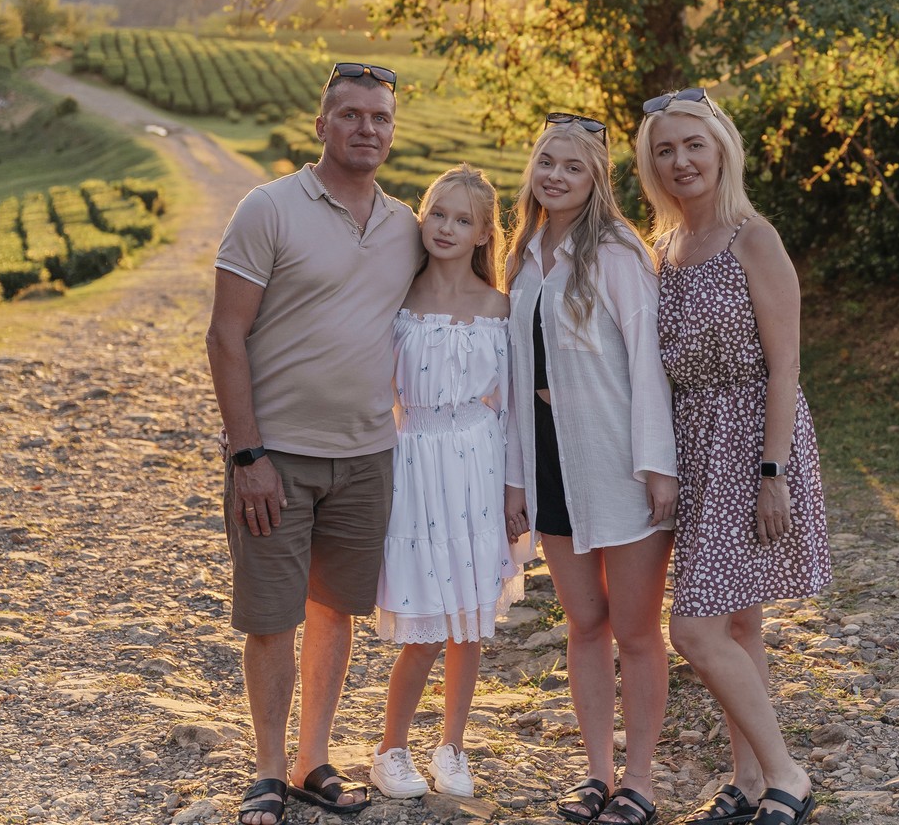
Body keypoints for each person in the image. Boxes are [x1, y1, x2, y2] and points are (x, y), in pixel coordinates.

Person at [206, 62, 423, 825]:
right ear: (321, 124)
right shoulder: (268, 208)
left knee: (335, 611)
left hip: (367, 456)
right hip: (276, 457)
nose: (367, 128)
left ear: (393, 132)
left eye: (380, 118)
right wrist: (248, 456)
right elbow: (225, 336)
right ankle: (267, 769)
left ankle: (311, 760)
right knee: (272, 617)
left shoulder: (406, 227)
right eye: (352, 114)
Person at [634, 89, 832, 825]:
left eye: (694, 144)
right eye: (665, 150)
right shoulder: (661, 250)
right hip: (692, 441)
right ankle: (748, 781)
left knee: (694, 630)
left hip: (751, 439)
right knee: (739, 624)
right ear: (651, 166)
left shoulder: (754, 237)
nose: (680, 160)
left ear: (721, 150)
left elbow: (785, 366)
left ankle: (787, 774)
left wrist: (772, 473)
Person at [504, 113, 678, 825]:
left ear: (597, 178)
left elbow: (649, 363)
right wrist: (516, 478)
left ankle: (639, 780)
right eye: (547, 161)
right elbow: (513, 379)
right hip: (550, 461)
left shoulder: (617, 253)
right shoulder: (522, 257)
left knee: (634, 629)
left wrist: (658, 464)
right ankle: (596, 772)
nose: (556, 176)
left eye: (573, 167)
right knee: (584, 624)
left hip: (618, 460)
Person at [369, 164, 524, 800]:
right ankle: (391, 749)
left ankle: (452, 746)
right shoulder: (398, 300)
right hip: (415, 461)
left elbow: (513, 411)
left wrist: (515, 491)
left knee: (469, 621)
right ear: (422, 215)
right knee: (427, 621)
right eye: (437, 213)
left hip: (478, 464)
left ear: (485, 233)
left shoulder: (499, 308)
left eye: (463, 220)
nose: (447, 228)